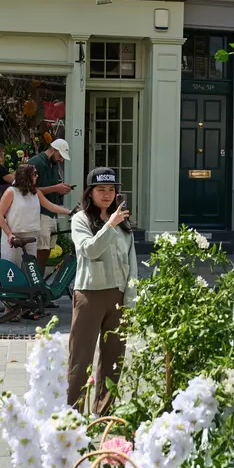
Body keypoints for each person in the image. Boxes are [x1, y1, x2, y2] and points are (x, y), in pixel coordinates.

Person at [67, 167, 137, 414]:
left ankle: (104, 412)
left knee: (114, 357)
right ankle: (74, 414)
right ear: (90, 192)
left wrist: (131, 296)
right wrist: (109, 225)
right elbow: (89, 250)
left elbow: (131, 261)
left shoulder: (122, 221)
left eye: (111, 189)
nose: (107, 194)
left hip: (117, 295)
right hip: (90, 294)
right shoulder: (80, 220)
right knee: (81, 357)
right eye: (101, 189)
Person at [0, 163, 71, 267]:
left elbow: (50, 206)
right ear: (26, 176)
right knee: (13, 268)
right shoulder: (11, 192)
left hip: (31, 235)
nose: (37, 176)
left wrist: (70, 212)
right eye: (34, 174)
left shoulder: (35, 192)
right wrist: (9, 234)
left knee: (30, 268)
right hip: (14, 237)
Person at [29, 138, 73, 272]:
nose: (61, 160)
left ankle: (40, 282)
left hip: (51, 212)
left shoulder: (53, 164)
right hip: (40, 212)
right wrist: (55, 188)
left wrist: (60, 191)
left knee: (47, 249)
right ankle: (37, 282)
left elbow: (48, 188)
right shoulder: (36, 162)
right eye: (60, 156)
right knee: (41, 250)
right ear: (52, 150)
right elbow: (29, 189)